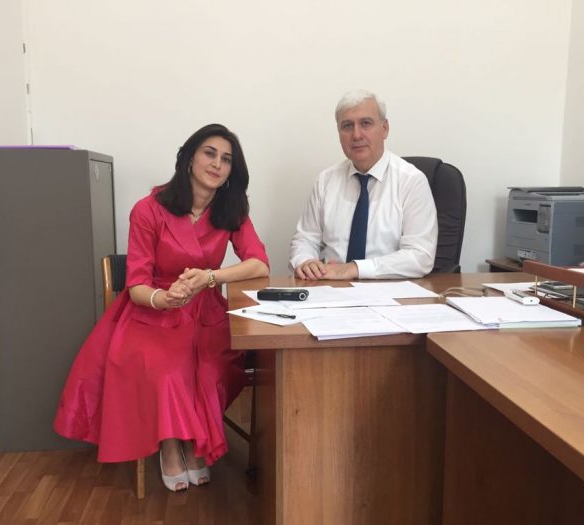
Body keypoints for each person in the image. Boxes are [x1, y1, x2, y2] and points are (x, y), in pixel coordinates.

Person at [54, 124, 269, 492]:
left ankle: (193, 441)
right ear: (189, 158)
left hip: (206, 311)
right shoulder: (148, 209)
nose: (217, 164)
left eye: (227, 159)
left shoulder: (232, 210)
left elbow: (259, 264)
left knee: (211, 368)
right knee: (168, 371)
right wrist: (164, 299)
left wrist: (211, 278)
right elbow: (137, 285)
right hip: (151, 312)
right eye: (209, 153)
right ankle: (171, 446)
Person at [289, 89, 438, 280]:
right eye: (347, 126)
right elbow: (305, 239)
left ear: (385, 128)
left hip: (390, 291)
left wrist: (354, 269)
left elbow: (420, 256)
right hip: (332, 288)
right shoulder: (326, 180)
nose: (356, 135)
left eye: (366, 123)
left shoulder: (411, 181)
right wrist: (306, 261)